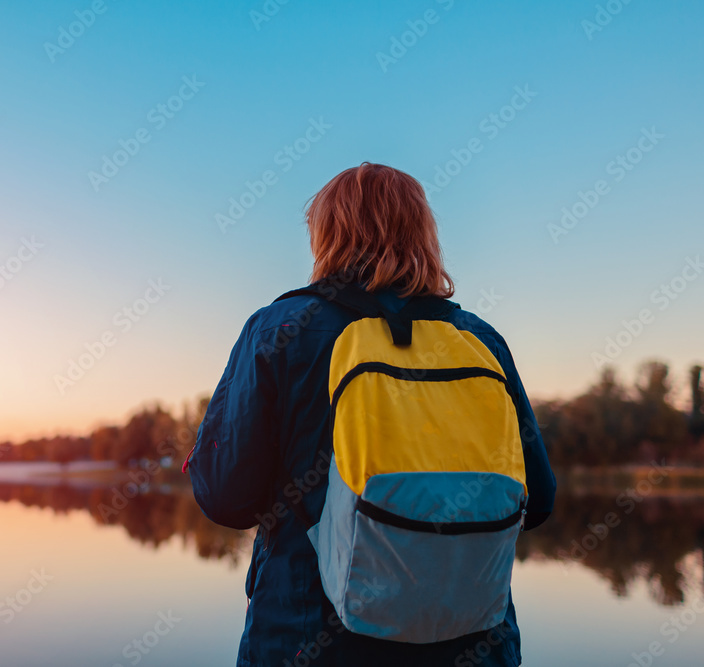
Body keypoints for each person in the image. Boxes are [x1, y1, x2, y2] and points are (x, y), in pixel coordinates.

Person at [185, 162, 556, 666]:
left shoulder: (279, 330)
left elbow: (228, 498)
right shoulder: (477, 339)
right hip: (474, 643)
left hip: (308, 636)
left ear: (327, 236)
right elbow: (538, 501)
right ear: (423, 234)